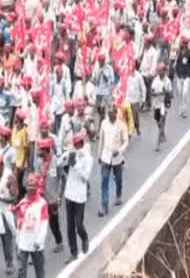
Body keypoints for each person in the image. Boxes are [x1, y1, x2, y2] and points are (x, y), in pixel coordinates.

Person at [61, 133, 92, 263]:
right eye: (75, 144)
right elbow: (60, 162)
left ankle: (84, 238)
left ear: (82, 143)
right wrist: (66, 157)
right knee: (70, 226)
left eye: (78, 144)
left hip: (79, 196)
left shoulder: (88, 158)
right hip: (69, 194)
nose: (76, 146)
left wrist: (75, 165)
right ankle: (73, 252)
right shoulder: (71, 153)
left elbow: (86, 177)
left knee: (79, 225)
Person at [14, 174, 49, 278]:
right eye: (29, 185)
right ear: (26, 186)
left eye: (34, 185)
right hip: (23, 241)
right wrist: (17, 238)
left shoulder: (42, 203)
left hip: (36, 243)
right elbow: (19, 222)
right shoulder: (23, 202)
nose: (31, 187)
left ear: (37, 186)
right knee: (21, 271)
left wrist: (39, 241)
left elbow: (44, 224)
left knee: (39, 270)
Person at [97, 108, 129, 217]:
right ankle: (104, 205)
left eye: (112, 114)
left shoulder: (121, 125)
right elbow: (101, 140)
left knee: (118, 179)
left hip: (117, 157)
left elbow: (126, 141)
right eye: (109, 114)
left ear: (116, 113)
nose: (110, 116)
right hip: (106, 156)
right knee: (104, 180)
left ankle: (118, 194)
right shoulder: (104, 124)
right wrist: (99, 155)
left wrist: (119, 150)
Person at [150, 62, 172, 152]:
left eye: (160, 71)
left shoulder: (168, 81)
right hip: (156, 104)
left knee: (161, 122)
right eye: (158, 71)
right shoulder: (155, 80)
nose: (158, 72)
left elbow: (171, 94)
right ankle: (162, 133)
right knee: (157, 120)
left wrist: (165, 92)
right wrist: (156, 93)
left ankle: (157, 144)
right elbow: (151, 92)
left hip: (163, 104)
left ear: (164, 71)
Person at [171, 37, 190, 118]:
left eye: (182, 43)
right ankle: (181, 109)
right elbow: (176, 62)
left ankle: (184, 111)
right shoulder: (178, 51)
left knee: (185, 93)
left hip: (186, 75)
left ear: (185, 44)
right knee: (180, 93)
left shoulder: (189, 53)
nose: (180, 44)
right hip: (179, 75)